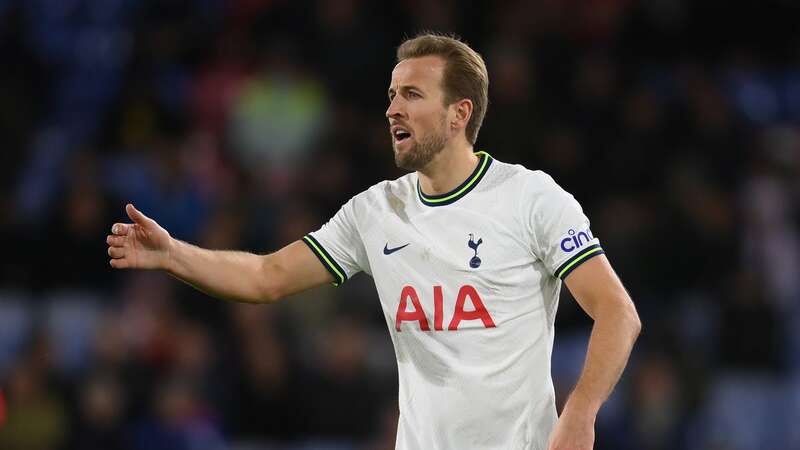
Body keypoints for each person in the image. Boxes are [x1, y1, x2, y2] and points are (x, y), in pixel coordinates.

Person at [107, 33, 641, 450]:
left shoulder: (530, 198)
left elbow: (618, 312)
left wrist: (580, 412)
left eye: (412, 94)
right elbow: (266, 278)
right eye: (391, 95)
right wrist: (174, 254)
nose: (392, 110)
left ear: (460, 113)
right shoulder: (374, 212)